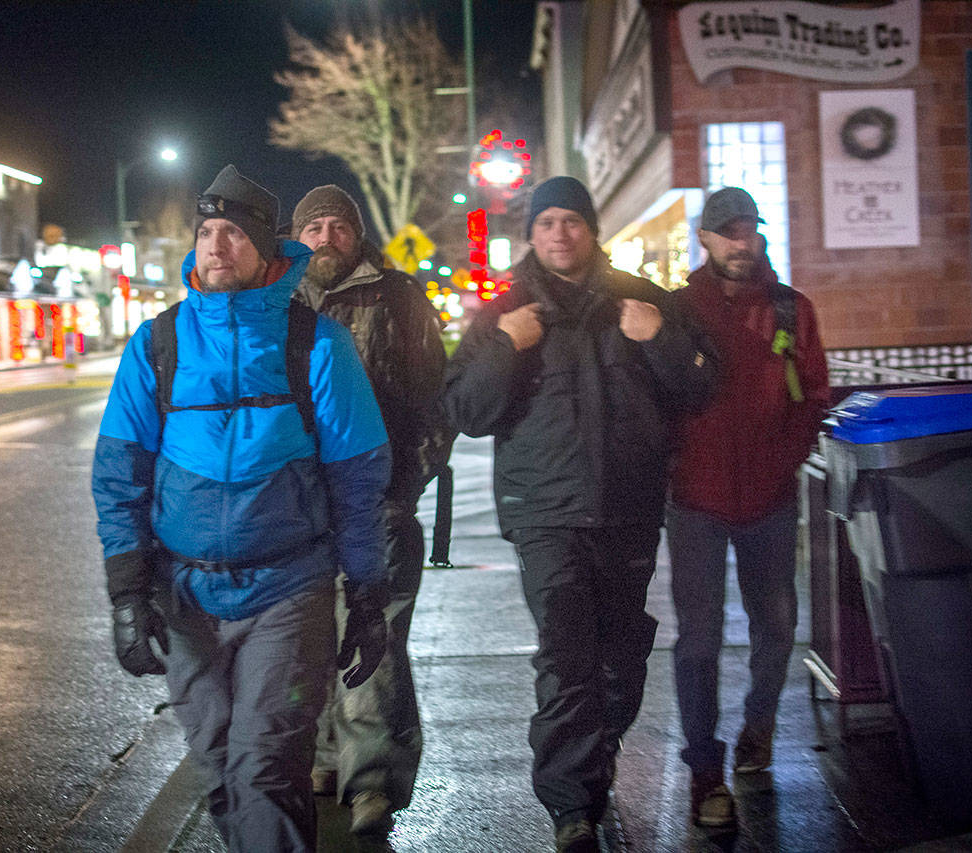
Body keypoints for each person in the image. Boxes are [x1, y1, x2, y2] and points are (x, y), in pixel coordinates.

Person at [91, 164, 392, 853]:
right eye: (206, 231)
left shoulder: (317, 344)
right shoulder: (156, 344)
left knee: (268, 766)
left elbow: (358, 480)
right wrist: (126, 592)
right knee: (221, 767)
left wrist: (367, 593)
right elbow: (118, 476)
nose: (216, 244)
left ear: (267, 250)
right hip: (187, 595)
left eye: (232, 232)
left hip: (289, 591)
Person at [443, 176, 717, 853]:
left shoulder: (643, 299)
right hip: (544, 514)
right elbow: (463, 412)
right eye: (547, 223)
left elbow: (700, 387)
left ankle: (597, 744)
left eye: (571, 220)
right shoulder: (503, 309)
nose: (559, 233)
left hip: (628, 509)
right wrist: (506, 346)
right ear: (531, 234)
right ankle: (571, 809)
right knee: (566, 658)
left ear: (590, 228)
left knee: (622, 657)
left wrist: (658, 340)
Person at [667, 186, 829, 828]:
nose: (741, 241)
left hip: (768, 495)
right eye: (727, 232)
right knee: (698, 640)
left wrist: (784, 457)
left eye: (749, 230)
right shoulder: (678, 311)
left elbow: (814, 393)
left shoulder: (791, 309)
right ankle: (705, 768)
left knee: (777, 622)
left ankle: (757, 728)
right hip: (696, 500)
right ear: (704, 240)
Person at [291, 185, 450, 836]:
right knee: (309, 642)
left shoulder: (398, 296)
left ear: (357, 234)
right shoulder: (275, 301)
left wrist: (404, 482)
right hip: (294, 512)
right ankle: (328, 757)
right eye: (313, 227)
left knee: (372, 640)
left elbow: (437, 401)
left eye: (338, 225)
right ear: (297, 237)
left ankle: (374, 783)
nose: (326, 236)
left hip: (374, 505)